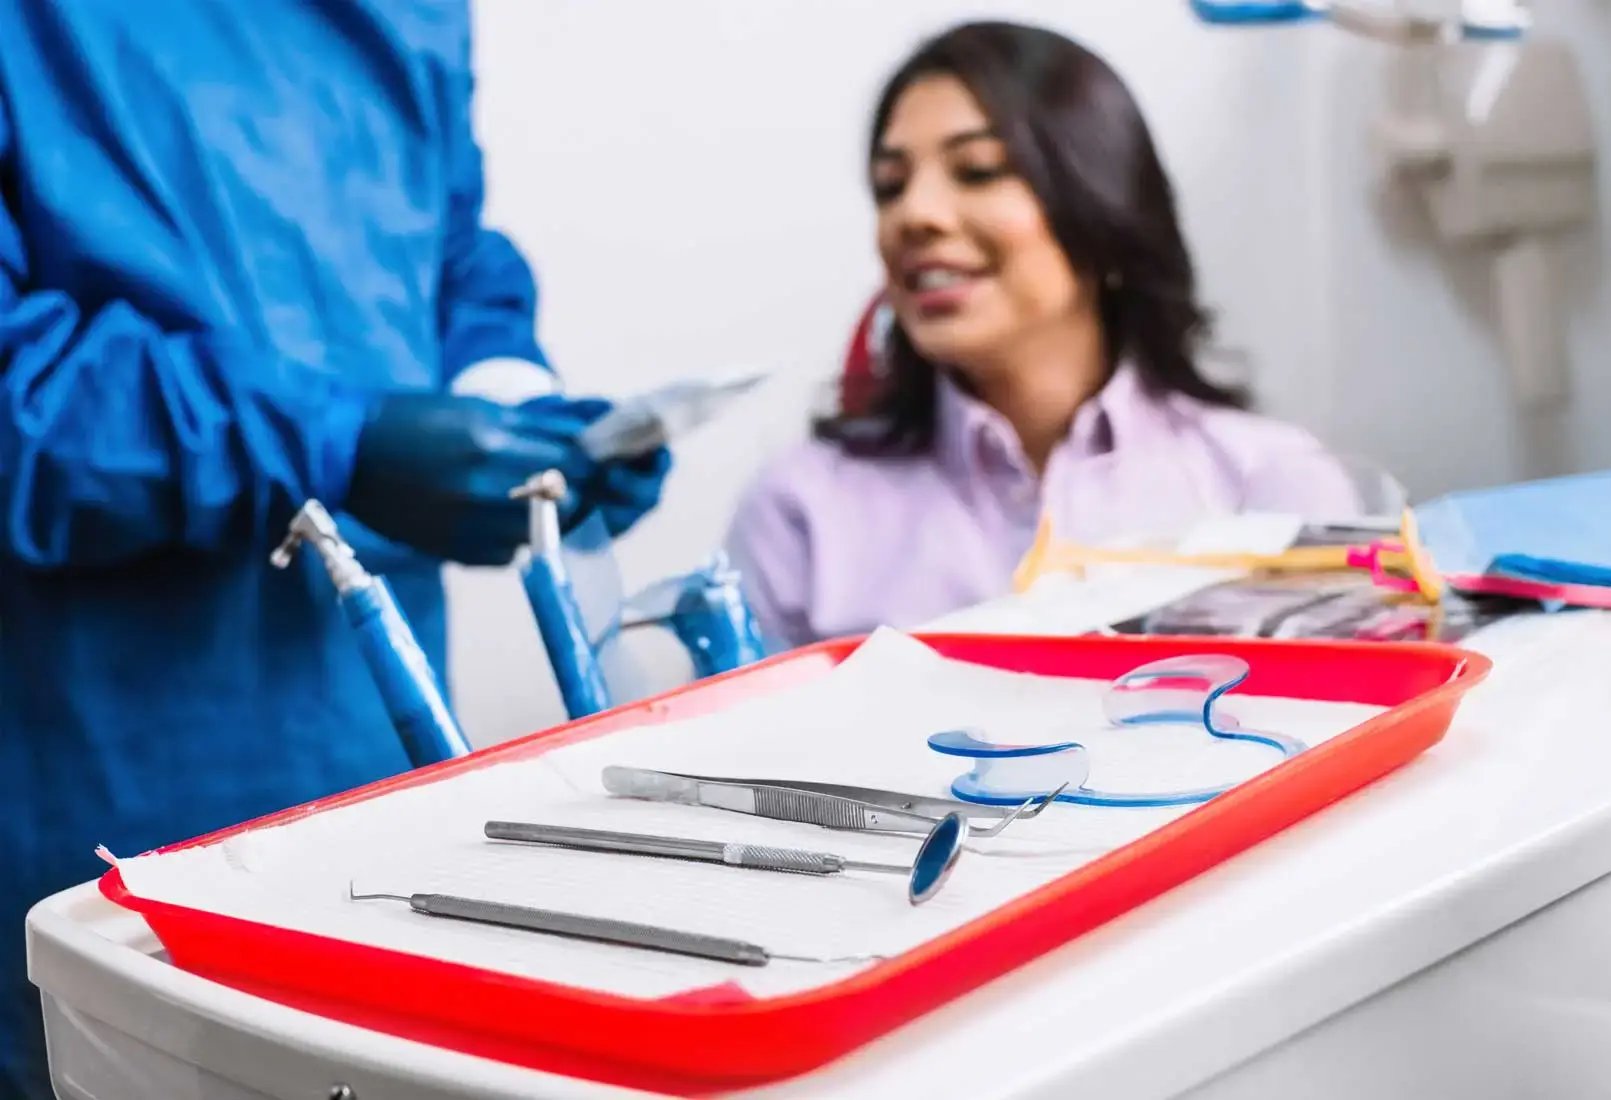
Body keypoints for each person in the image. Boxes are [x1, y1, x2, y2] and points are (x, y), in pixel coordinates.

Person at [0, 4, 668, 1095]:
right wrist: (331, 442)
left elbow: (450, 257)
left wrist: (520, 412)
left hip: (379, 780)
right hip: (107, 787)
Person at [727, 20, 1357, 650]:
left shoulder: (1271, 485)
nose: (913, 214)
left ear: (1103, 209)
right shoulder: (797, 513)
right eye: (890, 186)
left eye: (978, 170)